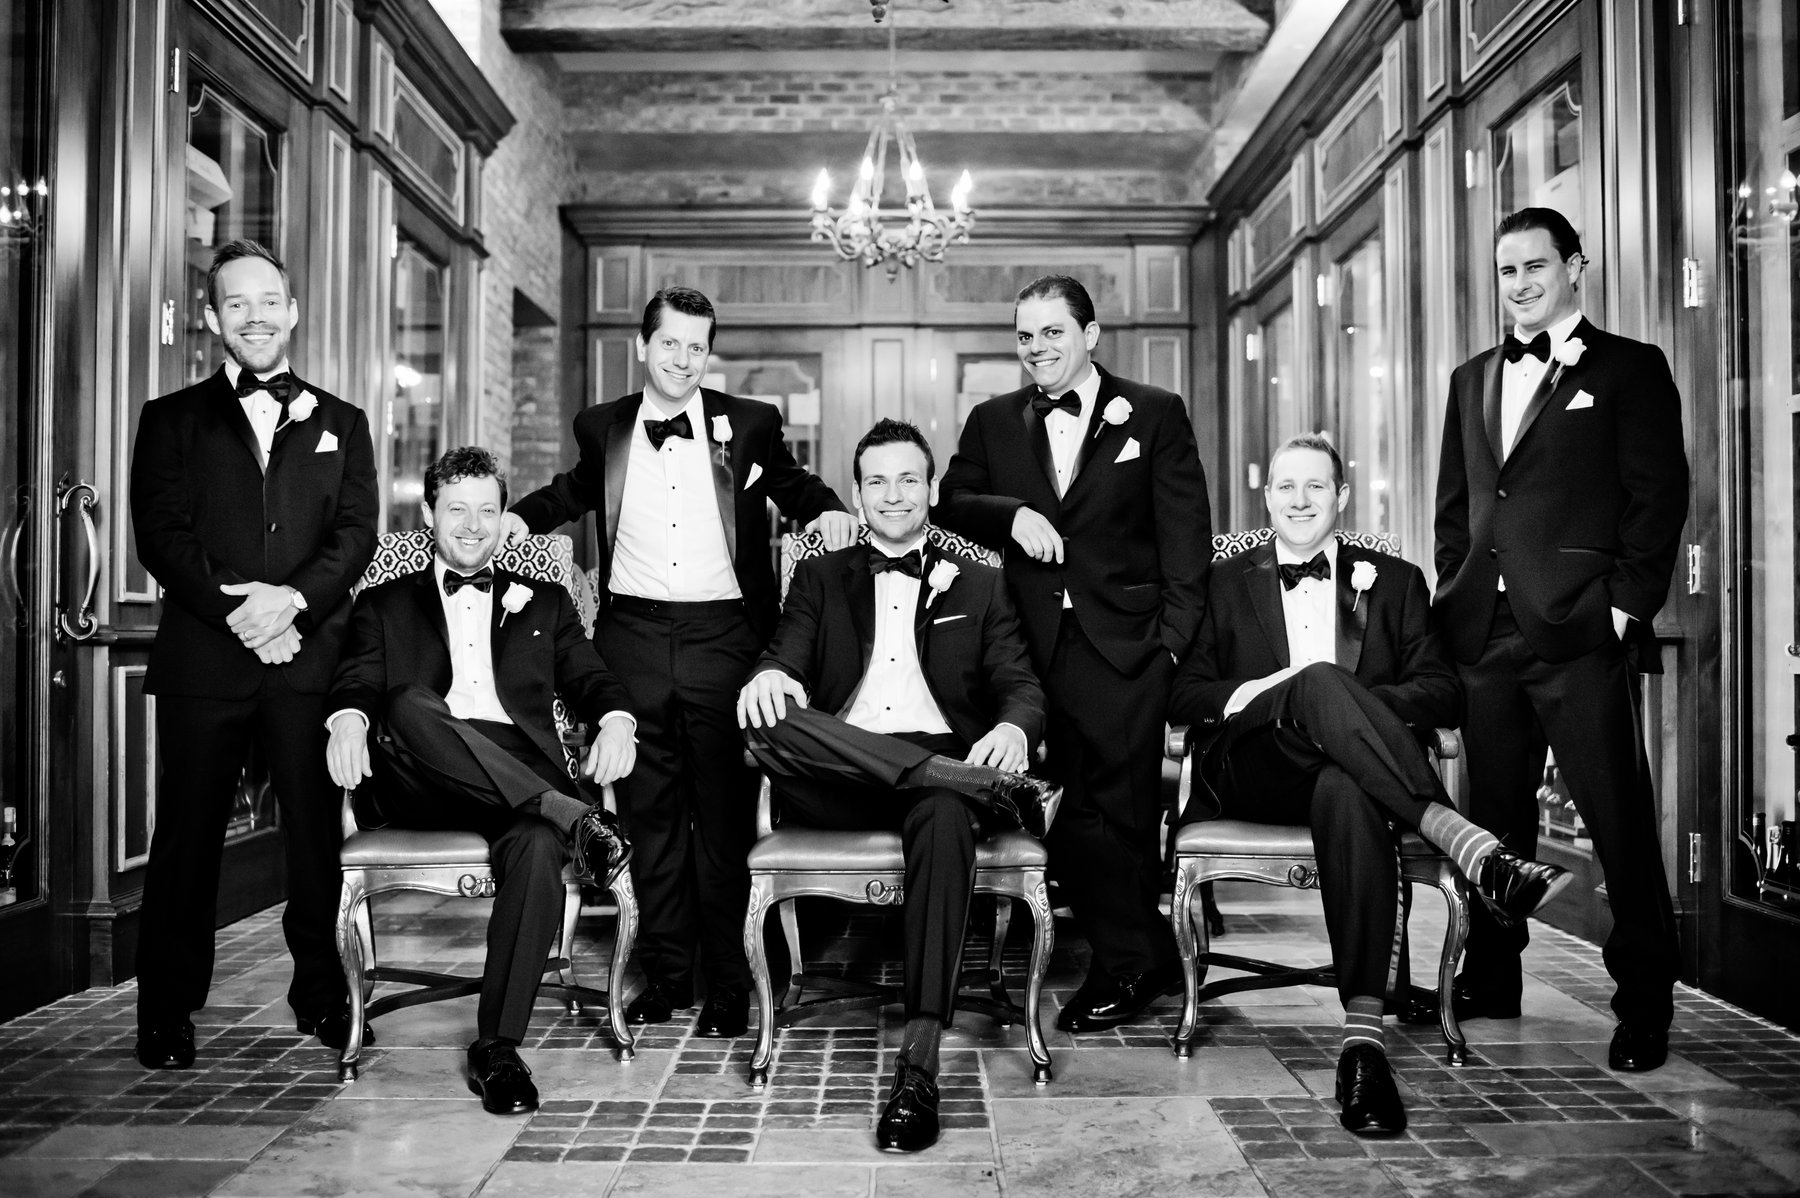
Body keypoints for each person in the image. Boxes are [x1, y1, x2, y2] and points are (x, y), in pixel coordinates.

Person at [1170, 433, 1568, 1134]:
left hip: (1352, 777)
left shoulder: (1396, 581)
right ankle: (1469, 845)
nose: (1299, 500)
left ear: (1342, 496)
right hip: (1251, 769)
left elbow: (1442, 692)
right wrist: (1278, 693)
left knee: (1346, 781)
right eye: (1286, 487)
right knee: (1319, 681)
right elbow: (1184, 692)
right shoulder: (1221, 581)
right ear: (1267, 498)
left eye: (1315, 487)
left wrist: (1345, 715)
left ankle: (1363, 1048)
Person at [501, 287, 857, 1039]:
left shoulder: (750, 423)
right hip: (630, 638)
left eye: (697, 347)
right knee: (651, 817)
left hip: (726, 638)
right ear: (644, 346)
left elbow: (792, 484)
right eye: (671, 343)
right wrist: (517, 517)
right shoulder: (602, 425)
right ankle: (666, 974)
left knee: (723, 818)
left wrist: (827, 506)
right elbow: (573, 490)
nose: (684, 359)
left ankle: (729, 980)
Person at [736, 418, 1057, 1153]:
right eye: (876, 481)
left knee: (943, 814)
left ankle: (917, 1066)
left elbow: (1020, 684)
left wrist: (1016, 730)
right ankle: (973, 784)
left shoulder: (980, 582)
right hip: (838, 773)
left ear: (932, 490)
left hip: (937, 778)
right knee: (764, 720)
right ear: (856, 495)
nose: (893, 494)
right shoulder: (819, 578)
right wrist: (771, 674)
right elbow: (783, 654)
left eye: (909, 479)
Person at [1432, 207, 1689, 1072]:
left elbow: (1659, 497)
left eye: (1535, 266)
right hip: (1485, 635)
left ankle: (1644, 1002)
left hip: (1580, 631)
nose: (1520, 283)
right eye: (1507, 270)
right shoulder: (1471, 377)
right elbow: (1458, 509)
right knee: (1493, 823)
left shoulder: (1630, 368)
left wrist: (1622, 608)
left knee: (1618, 819)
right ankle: (1492, 976)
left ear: (1576, 267)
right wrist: (1457, 591)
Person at [934, 274, 1212, 1032]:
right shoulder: (992, 420)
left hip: (1127, 647)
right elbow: (950, 501)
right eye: (1025, 336)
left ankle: (1127, 964)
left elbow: (1186, 539)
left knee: (1118, 810)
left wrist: (1171, 648)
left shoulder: (1154, 411)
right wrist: (1012, 513)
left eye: (1052, 332)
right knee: (1060, 806)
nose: (1037, 348)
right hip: (1026, 650)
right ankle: (1145, 953)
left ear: (1090, 335)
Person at [129, 239, 379, 1071]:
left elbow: (356, 536)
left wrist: (291, 603)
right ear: (212, 319)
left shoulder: (344, 422)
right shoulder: (170, 419)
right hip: (206, 660)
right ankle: (166, 1011)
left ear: (292, 311)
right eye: (236, 303)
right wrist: (244, 611)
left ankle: (323, 994)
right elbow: (162, 537)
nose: (256, 316)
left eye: (269, 300)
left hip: (309, 660)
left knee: (314, 840)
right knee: (186, 842)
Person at [325, 447, 635, 1115]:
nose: (473, 526)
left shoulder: (545, 600)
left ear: (503, 517)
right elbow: (355, 681)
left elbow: (592, 678)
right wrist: (347, 720)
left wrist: (617, 721)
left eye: (487, 511)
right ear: (429, 513)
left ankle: (497, 1047)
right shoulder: (383, 603)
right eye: (457, 510)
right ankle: (570, 813)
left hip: (515, 781)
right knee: (406, 703)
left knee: (537, 845)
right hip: (419, 773)